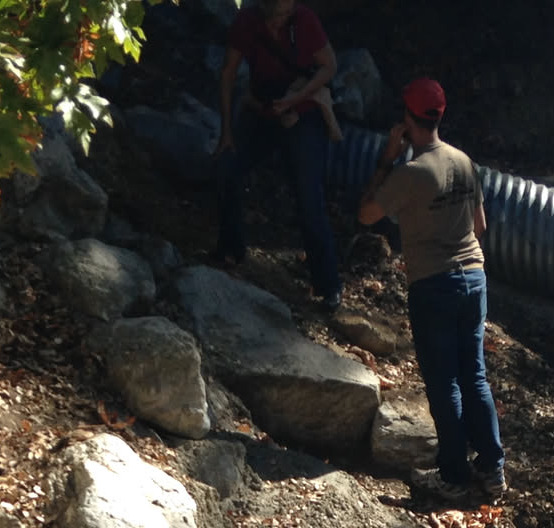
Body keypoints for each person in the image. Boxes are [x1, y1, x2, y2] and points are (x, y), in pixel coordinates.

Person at [357, 77, 507, 499]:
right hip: (474, 277)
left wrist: (386, 160)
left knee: (444, 383)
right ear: (440, 116)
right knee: (474, 374)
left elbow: (366, 215)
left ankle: (453, 476)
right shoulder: (464, 161)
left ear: (407, 120)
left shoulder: (410, 173)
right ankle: (493, 469)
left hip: (433, 283)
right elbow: (480, 226)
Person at [215, 0, 342, 310]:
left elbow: (329, 65)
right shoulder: (247, 21)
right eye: (277, 14)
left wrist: (295, 98)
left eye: (287, 13)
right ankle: (230, 249)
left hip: (303, 113)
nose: (281, 19)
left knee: (309, 197)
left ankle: (328, 285)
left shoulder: (305, 20)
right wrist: (226, 132)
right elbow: (228, 73)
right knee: (226, 168)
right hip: (262, 109)